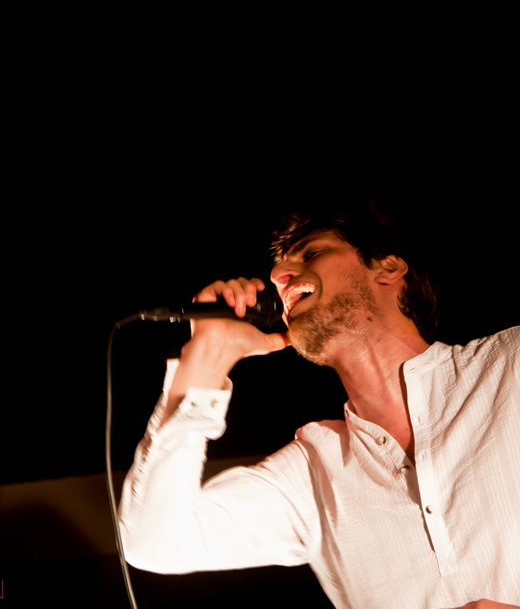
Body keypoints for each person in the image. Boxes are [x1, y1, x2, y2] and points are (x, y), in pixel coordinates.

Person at [118, 204, 520, 609]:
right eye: (279, 269)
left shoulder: (509, 364)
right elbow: (153, 539)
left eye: (312, 253)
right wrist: (207, 352)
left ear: (388, 269)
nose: (278, 275)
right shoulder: (313, 474)